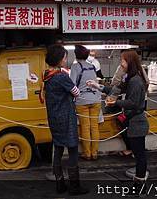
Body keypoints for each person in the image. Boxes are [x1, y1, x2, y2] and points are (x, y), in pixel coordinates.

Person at [88, 49, 149, 187]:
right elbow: (115, 90)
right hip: (134, 122)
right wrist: (97, 86)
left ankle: (139, 184)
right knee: (139, 154)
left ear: (130, 62)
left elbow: (133, 103)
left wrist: (115, 102)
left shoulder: (135, 81)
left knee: (140, 155)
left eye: (123, 60)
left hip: (138, 123)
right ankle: (140, 181)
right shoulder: (130, 78)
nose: (121, 63)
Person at [42, 44, 88, 195]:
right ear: (60, 59)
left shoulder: (47, 74)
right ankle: (74, 186)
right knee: (73, 150)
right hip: (66, 118)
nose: (65, 59)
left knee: (58, 150)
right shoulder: (61, 76)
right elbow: (76, 92)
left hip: (54, 118)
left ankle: (60, 184)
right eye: (64, 56)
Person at [70, 45, 102, 160]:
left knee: (85, 127)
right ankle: (95, 153)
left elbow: (72, 84)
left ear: (76, 54)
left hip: (82, 100)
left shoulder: (75, 67)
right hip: (95, 98)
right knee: (94, 126)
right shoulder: (92, 66)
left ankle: (87, 153)